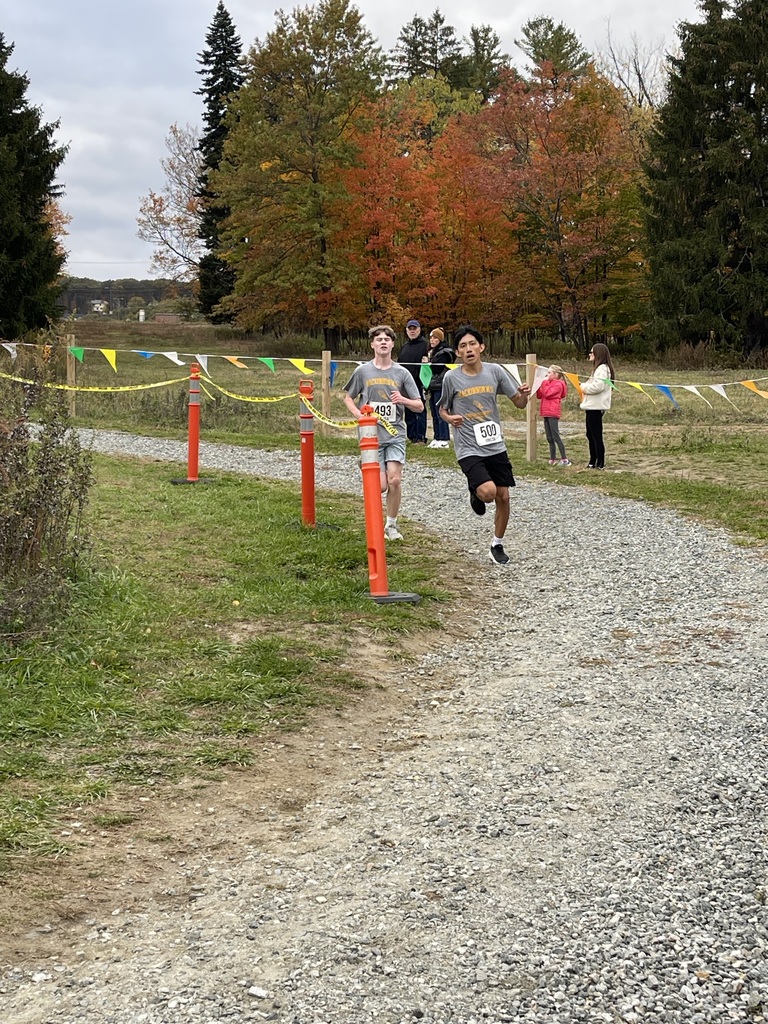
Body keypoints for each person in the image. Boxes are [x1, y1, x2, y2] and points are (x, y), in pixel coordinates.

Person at [439, 324, 530, 566]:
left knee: (504, 496)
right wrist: (450, 418)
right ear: (458, 353)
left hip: (494, 444)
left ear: (481, 347)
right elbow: (441, 409)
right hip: (468, 446)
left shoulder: (495, 372)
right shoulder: (452, 377)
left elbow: (519, 403)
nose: (468, 349)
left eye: (472, 344)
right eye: (462, 346)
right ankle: (476, 489)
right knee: (489, 493)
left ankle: (496, 544)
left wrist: (525, 394)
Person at [343, 325, 424, 541]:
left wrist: (403, 400)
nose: (383, 342)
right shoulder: (362, 371)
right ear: (372, 344)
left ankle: (391, 525)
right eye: (378, 339)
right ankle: (374, 521)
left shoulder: (401, 373)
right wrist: (359, 415)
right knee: (379, 486)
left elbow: (419, 405)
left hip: (395, 434)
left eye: (387, 339)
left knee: (395, 480)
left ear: (392, 344)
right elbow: (348, 397)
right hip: (371, 436)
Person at [580, 342, 615, 469]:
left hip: (595, 407)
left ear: (598, 354)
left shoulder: (602, 369)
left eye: (592, 352)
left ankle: (599, 462)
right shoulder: (598, 369)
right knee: (590, 434)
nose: (589, 354)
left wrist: (582, 387)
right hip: (591, 406)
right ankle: (593, 460)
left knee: (595, 435)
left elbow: (598, 386)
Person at [422, 327, 454, 448]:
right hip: (432, 385)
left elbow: (436, 368)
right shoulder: (432, 351)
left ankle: (444, 438)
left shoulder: (445, 352)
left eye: (435, 337)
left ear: (440, 339)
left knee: (441, 412)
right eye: (430, 337)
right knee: (434, 413)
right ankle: (437, 437)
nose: (432, 340)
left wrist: (428, 363)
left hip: (441, 385)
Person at [398, 319, 428, 444]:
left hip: (419, 382)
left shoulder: (426, 345)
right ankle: (411, 436)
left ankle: (420, 437)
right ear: (406, 331)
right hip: (405, 384)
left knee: (420, 410)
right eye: (410, 329)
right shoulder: (404, 347)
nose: (412, 331)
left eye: (414, 328)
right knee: (408, 411)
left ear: (419, 329)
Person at [537, 364, 571, 466]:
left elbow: (547, 393)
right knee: (549, 438)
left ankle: (564, 459)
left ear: (555, 374)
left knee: (556, 436)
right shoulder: (548, 383)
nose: (547, 375)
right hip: (545, 412)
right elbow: (540, 395)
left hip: (553, 412)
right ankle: (552, 458)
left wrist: (544, 382)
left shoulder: (558, 384)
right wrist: (539, 386)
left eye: (549, 372)